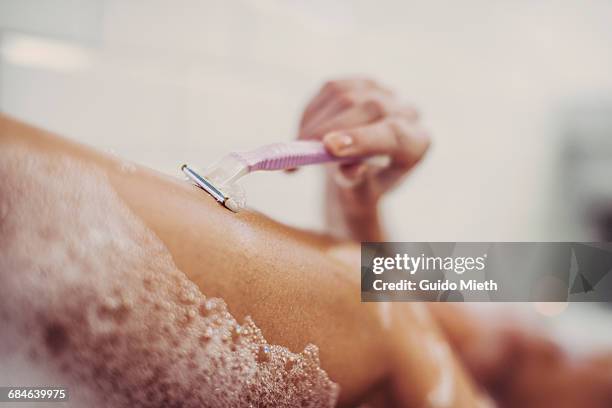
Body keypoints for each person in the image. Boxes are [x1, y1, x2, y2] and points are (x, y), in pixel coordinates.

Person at [0, 78, 610, 407]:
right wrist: (359, 208)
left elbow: (401, 316)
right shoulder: (578, 279)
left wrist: (400, 333)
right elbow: (460, 321)